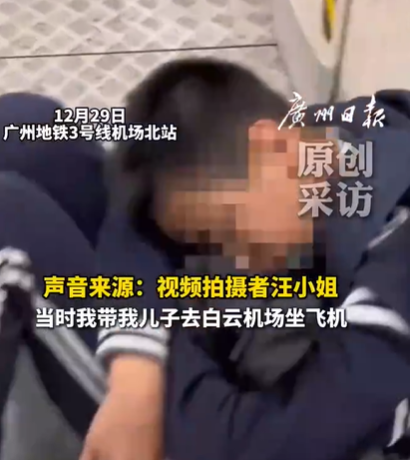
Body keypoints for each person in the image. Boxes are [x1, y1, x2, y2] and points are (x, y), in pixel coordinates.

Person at [84, 59, 410, 460]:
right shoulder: (319, 138)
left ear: (273, 147)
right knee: (22, 126)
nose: (234, 264)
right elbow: (129, 214)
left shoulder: (396, 251)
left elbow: (251, 446)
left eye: (226, 232)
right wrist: (136, 366)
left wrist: (169, 332)